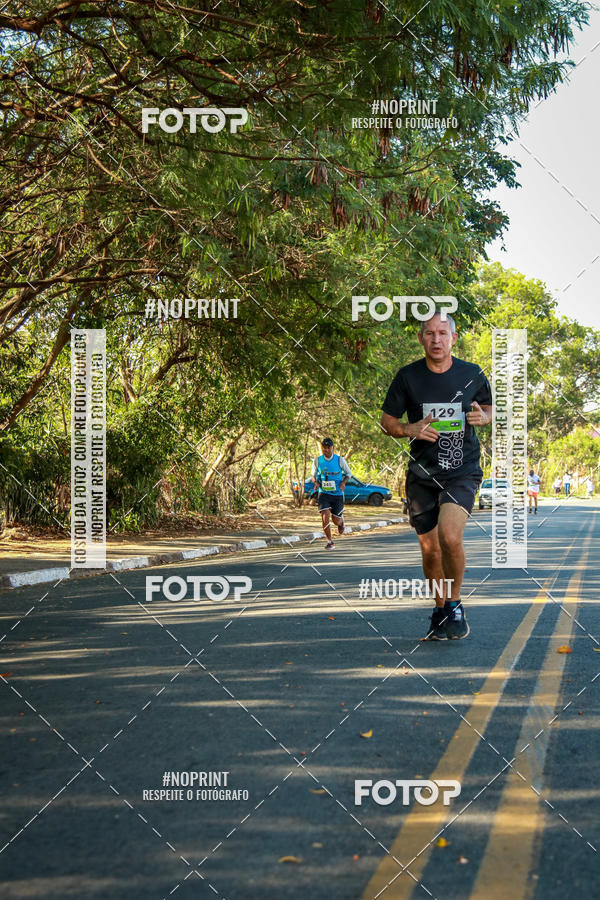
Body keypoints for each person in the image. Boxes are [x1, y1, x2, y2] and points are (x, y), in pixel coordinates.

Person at [380, 312, 493, 641]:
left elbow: (489, 408)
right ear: (421, 339)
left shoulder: (471, 374)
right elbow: (387, 421)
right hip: (422, 474)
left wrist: (483, 417)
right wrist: (408, 428)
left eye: (442, 333)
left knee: (450, 537)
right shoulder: (408, 377)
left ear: (453, 338)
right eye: (429, 333)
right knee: (430, 551)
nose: (436, 339)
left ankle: (456, 606)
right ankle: (441, 609)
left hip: (461, 470)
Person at [311, 438, 351, 550]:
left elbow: (349, 473)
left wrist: (343, 482)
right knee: (324, 517)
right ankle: (330, 541)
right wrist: (316, 482)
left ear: (333, 448)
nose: (326, 450)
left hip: (337, 494)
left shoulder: (339, 460)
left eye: (328, 447)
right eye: (324, 447)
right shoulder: (318, 461)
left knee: (335, 520)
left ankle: (341, 521)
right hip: (324, 493)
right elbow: (312, 475)